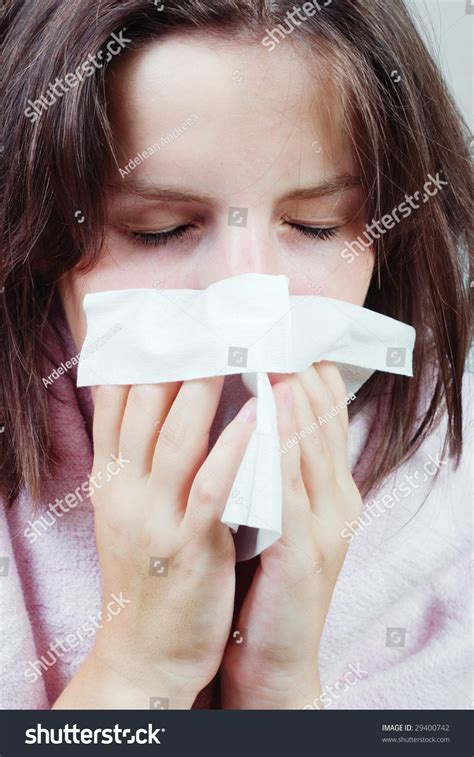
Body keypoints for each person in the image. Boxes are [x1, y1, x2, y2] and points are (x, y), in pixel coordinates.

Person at [1, 0, 471, 710]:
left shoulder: (445, 507)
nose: (254, 299)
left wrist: (278, 692)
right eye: (159, 230)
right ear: (39, 246)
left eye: (316, 226)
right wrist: (137, 670)